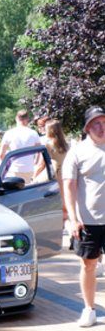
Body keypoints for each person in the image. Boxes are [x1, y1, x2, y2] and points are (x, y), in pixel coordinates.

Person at [63, 105, 105, 327]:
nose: (101, 127)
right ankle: (89, 309)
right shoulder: (77, 152)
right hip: (88, 221)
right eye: (96, 124)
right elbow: (68, 186)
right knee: (88, 265)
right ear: (88, 128)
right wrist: (72, 218)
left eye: (104, 123)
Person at [0, 110, 41, 184]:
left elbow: (1, 154)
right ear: (27, 119)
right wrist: (36, 162)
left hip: (14, 168)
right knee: (27, 191)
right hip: (29, 168)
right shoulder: (33, 133)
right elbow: (39, 150)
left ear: (16, 119)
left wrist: (6, 165)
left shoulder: (9, 133)